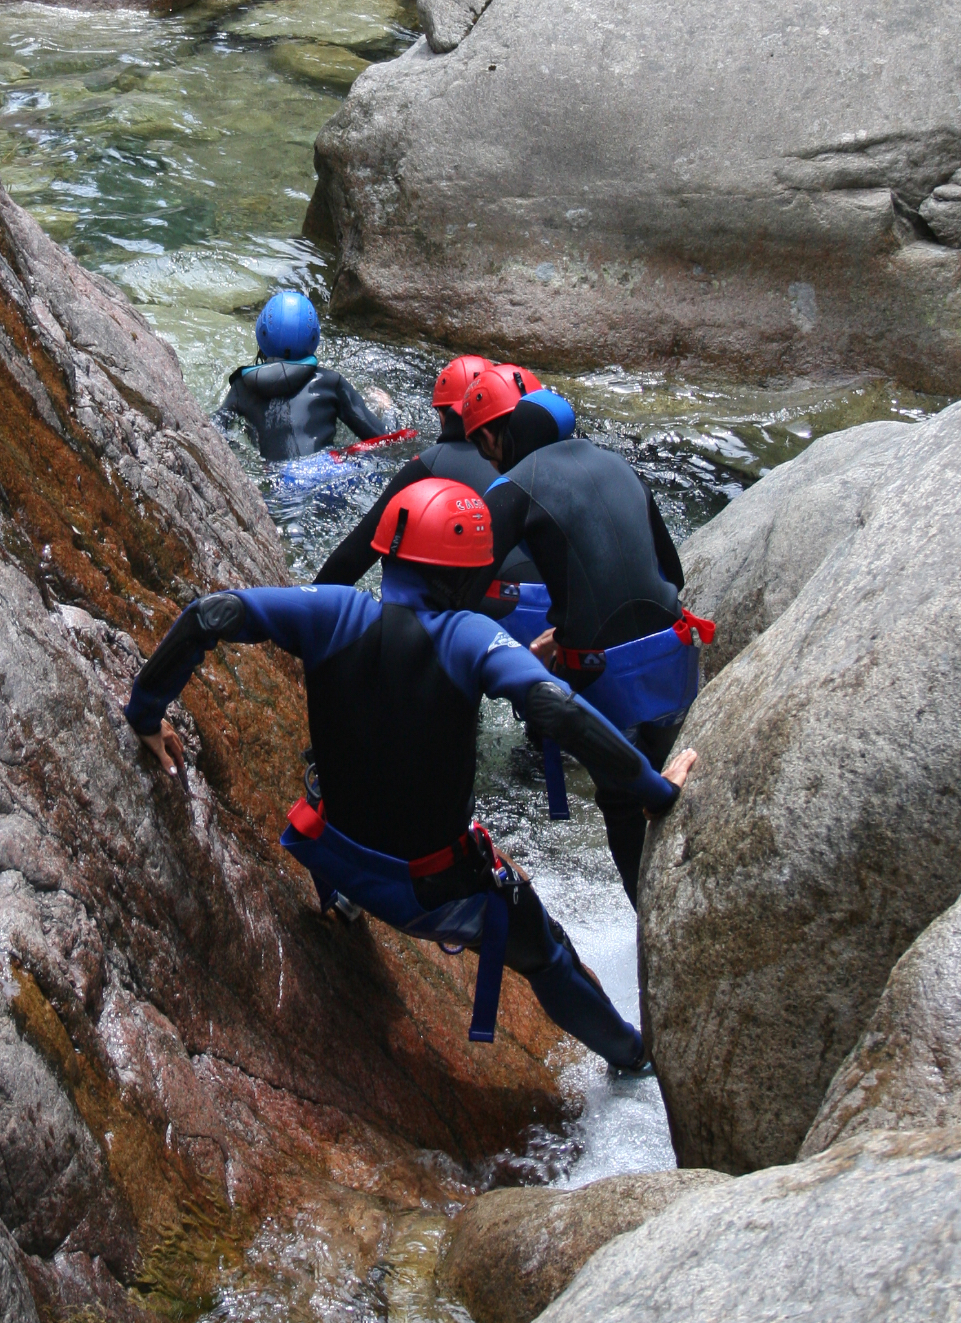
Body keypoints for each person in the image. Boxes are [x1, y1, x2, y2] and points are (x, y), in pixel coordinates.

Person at [125, 478, 697, 1069]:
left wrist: (145, 712)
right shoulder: (468, 635)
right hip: (430, 894)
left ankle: (345, 901)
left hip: (326, 846)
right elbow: (554, 709)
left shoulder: (331, 610)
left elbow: (212, 612)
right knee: (547, 954)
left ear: (389, 553)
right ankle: (635, 1058)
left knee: (333, 771)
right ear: (463, 573)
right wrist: (654, 791)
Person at [466, 372, 714, 905]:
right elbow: (672, 570)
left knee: (624, 804)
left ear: (513, 439)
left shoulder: (513, 485)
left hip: (603, 677)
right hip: (674, 658)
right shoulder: (619, 464)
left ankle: (647, 916)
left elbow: (463, 585)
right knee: (674, 802)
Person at [314, 358, 573, 588]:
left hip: (488, 606)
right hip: (558, 602)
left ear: (444, 414)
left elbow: (353, 556)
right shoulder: (558, 459)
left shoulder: (432, 463)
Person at [220, 292, 386, 462]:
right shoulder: (330, 382)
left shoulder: (242, 388)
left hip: (276, 479)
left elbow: (216, 430)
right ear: (314, 338)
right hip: (328, 468)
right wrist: (387, 409)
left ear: (261, 333)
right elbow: (384, 438)